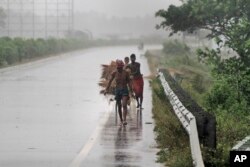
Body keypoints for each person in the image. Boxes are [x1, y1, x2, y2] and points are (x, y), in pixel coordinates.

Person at [105, 60, 132, 126]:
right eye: (118, 67)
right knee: (119, 105)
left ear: (122, 67)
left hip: (124, 90)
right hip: (117, 90)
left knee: (124, 105)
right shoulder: (114, 73)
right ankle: (121, 120)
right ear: (117, 67)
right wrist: (107, 89)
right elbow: (110, 81)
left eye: (120, 67)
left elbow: (129, 82)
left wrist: (131, 90)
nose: (119, 68)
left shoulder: (126, 73)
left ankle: (125, 120)